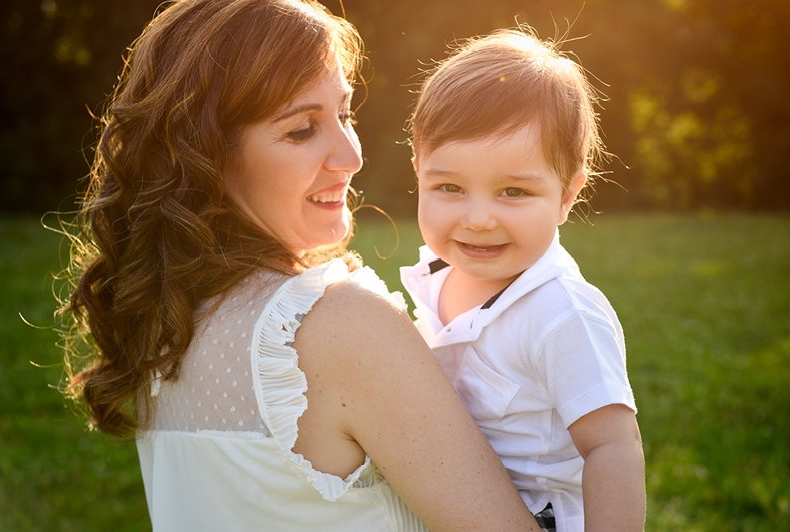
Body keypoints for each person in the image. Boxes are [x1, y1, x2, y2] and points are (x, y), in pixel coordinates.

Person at [57, 2, 543, 531]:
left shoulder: (163, 329)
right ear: (208, 154)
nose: (351, 154)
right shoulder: (337, 324)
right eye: (301, 129)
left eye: (345, 113)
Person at [400, 29, 646, 532]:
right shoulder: (438, 276)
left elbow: (611, 446)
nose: (479, 218)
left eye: (512, 192)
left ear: (566, 195)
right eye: (449, 187)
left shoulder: (561, 314)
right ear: (418, 172)